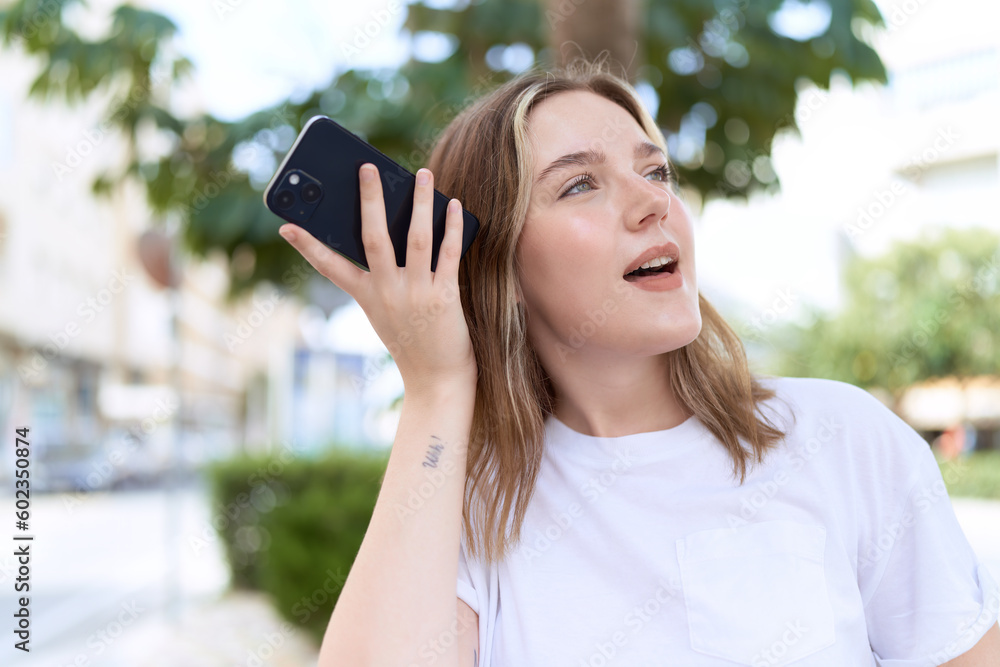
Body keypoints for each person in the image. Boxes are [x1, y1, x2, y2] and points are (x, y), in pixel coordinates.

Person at [277, 57, 1000, 667]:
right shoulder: (470, 509)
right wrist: (435, 387)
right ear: (497, 267)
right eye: (579, 184)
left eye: (655, 171)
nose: (653, 203)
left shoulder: (839, 436)